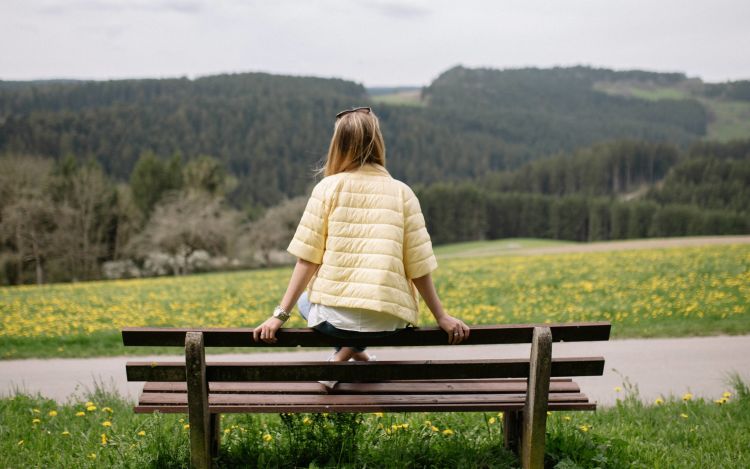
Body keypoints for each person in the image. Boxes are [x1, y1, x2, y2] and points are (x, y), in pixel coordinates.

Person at [252, 106, 470, 365]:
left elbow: (307, 261)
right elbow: (419, 267)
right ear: (377, 142)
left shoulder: (327, 188)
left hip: (334, 322)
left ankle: (344, 354)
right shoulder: (403, 193)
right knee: (367, 318)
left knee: (305, 301)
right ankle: (355, 353)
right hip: (390, 321)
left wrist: (279, 316)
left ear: (338, 145)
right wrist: (441, 316)